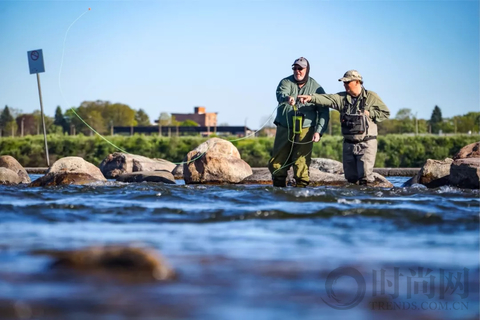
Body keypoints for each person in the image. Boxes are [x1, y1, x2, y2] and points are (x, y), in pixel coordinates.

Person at [298, 70, 390, 185]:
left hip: (366, 143)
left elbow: (385, 113)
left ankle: (366, 200)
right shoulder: (341, 98)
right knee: (350, 178)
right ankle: (352, 202)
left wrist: (369, 113)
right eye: (344, 82)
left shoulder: (371, 96)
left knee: (365, 178)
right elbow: (328, 99)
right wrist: (311, 98)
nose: (345, 85)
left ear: (357, 82)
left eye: (347, 82)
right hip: (348, 144)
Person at [268, 57, 330, 187]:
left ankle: (301, 191)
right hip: (285, 127)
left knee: (301, 163)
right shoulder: (285, 82)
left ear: (307, 70)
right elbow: (280, 94)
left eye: (300, 68)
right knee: (277, 162)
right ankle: (278, 190)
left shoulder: (317, 88)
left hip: (306, 129)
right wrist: (287, 98)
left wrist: (319, 132)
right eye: (295, 68)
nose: (297, 71)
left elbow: (324, 112)